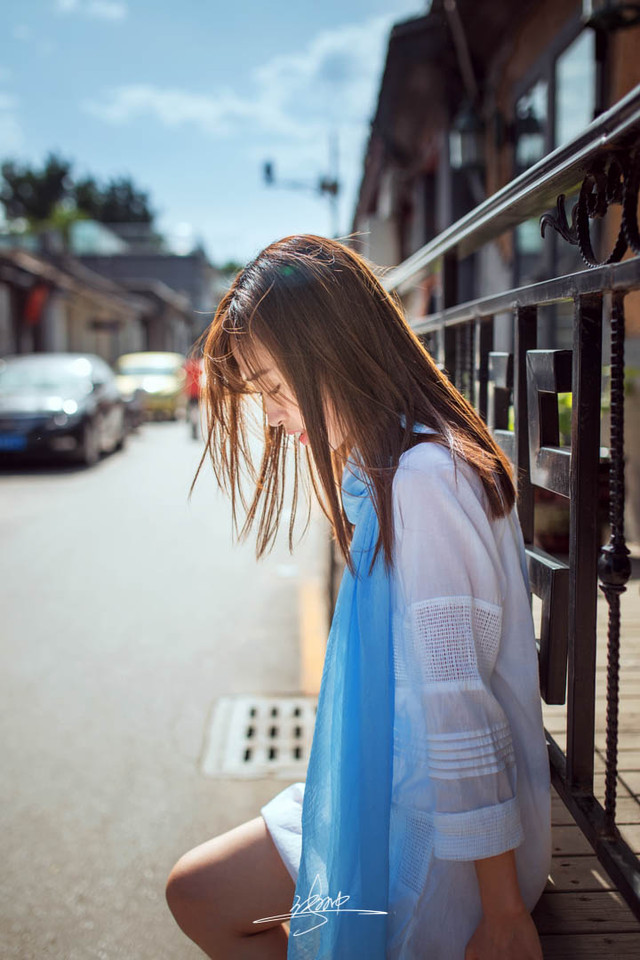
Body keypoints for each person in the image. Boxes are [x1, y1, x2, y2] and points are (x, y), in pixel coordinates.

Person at [164, 234, 552, 960]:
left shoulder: (423, 480)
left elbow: (458, 707)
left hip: (443, 834)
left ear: (336, 353)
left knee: (197, 893)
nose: (274, 416)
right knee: (196, 889)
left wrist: (502, 914)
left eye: (277, 388)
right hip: (397, 782)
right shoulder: (397, 461)